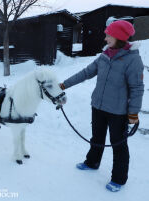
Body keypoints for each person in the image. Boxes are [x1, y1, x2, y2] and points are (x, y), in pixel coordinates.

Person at [59, 20, 144, 192]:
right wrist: (64, 85)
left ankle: (119, 179)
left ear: (119, 37)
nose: (105, 38)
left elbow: (137, 88)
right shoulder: (105, 55)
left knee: (118, 145)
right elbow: (86, 72)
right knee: (96, 138)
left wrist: (133, 113)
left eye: (108, 35)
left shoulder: (132, 60)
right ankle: (92, 162)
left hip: (118, 112)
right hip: (98, 106)